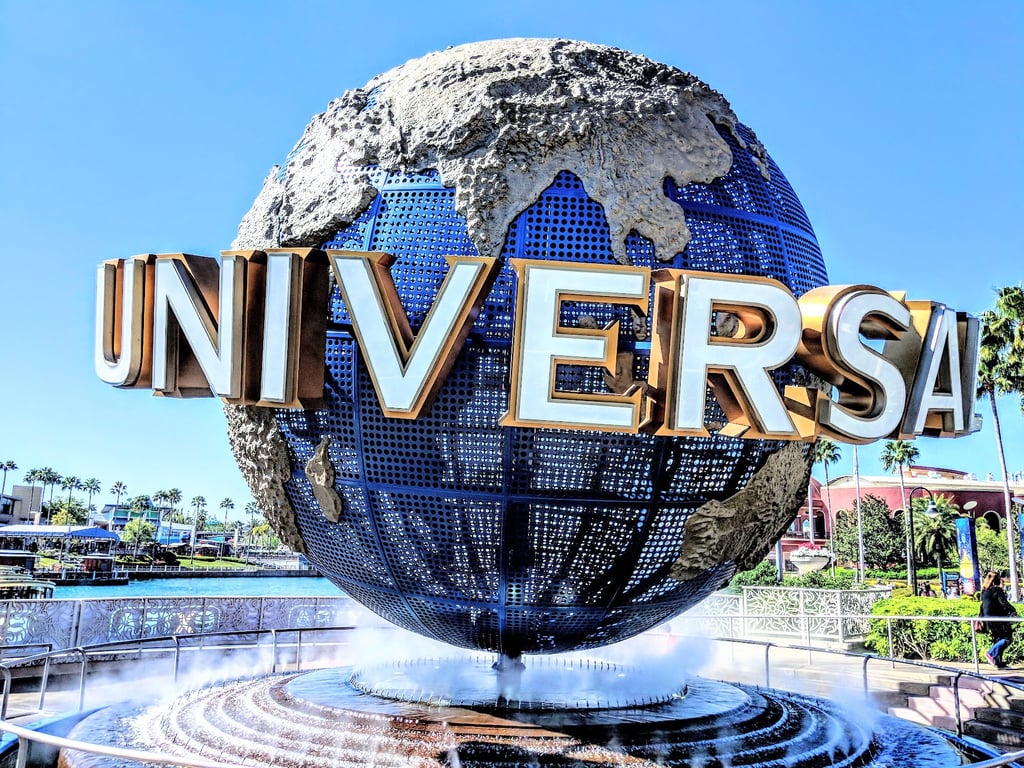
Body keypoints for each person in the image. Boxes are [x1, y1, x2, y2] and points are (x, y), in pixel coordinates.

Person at [979, 570, 1017, 669]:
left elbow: (984, 606)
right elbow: (1004, 603)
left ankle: (998, 663)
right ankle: (990, 653)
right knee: (1007, 639)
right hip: (997, 619)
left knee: (998, 640)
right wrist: (1013, 610)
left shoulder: (984, 591)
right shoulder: (997, 590)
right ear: (997, 580)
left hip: (987, 620)